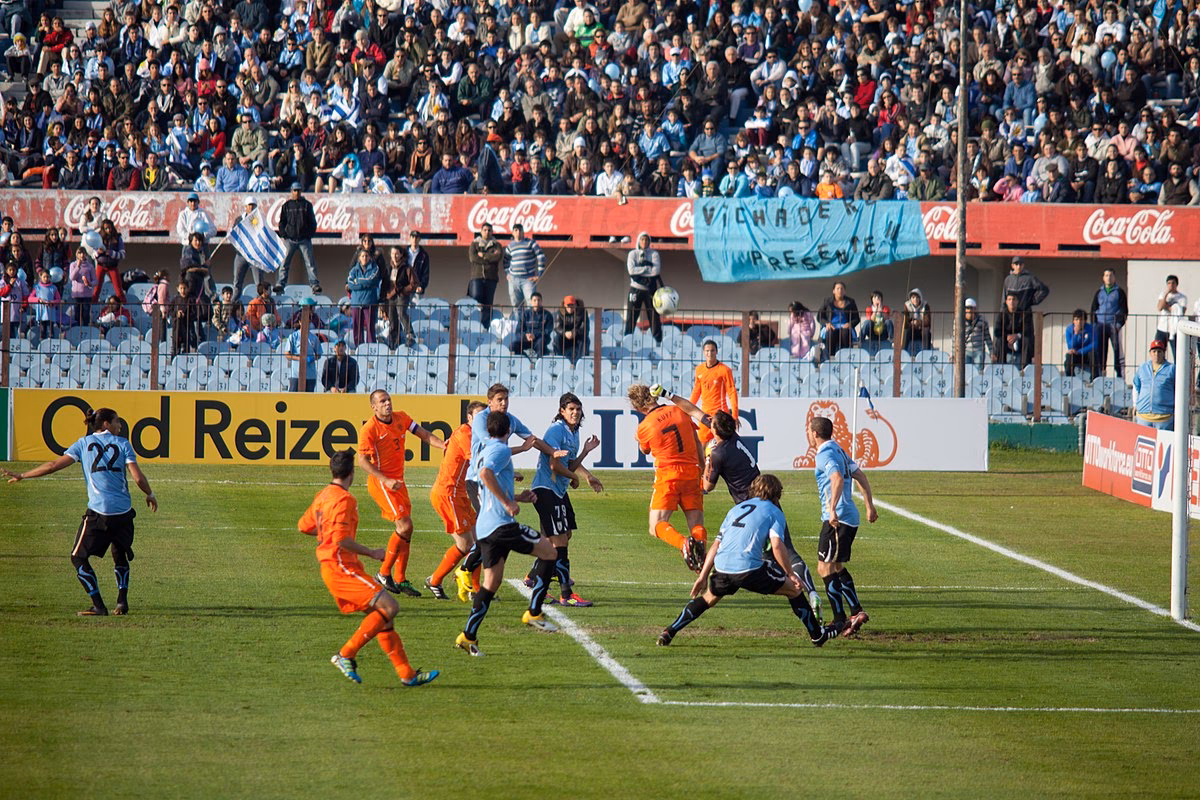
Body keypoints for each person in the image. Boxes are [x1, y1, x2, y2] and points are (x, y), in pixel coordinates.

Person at [658, 388, 823, 616]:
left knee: (764, 554)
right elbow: (694, 411)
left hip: (754, 508)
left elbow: (706, 487)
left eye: (711, 422)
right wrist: (669, 395)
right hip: (768, 501)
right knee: (781, 552)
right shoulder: (729, 436)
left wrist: (706, 459)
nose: (708, 421)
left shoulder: (718, 453)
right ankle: (810, 594)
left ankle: (792, 593)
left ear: (715, 430)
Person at [297, 448, 438, 687]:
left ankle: (407, 674)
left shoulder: (323, 495)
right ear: (352, 473)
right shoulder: (344, 500)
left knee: (382, 618)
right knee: (390, 606)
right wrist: (373, 552)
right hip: (341, 567)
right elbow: (341, 540)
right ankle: (346, 654)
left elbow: (304, 526)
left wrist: (325, 534)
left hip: (337, 567)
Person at [655, 474, 843, 648]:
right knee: (794, 589)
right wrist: (791, 574)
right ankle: (818, 635)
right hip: (748, 568)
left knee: (708, 598)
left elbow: (716, 545)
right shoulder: (774, 511)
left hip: (722, 567)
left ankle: (670, 631)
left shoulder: (735, 509)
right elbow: (777, 545)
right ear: (777, 495)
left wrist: (703, 576)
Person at [3, 408, 157, 617]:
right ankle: (122, 602)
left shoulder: (83, 444)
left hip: (99, 512)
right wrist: (150, 494)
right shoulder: (123, 444)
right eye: (117, 422)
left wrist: (23, 475)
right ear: (105, 424)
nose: (120, 426)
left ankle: (99, 606)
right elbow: (138, 478)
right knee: (119, 554)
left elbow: (53, 466)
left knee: (77, 557)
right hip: (123, 513)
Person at [455, 410, 559, 657]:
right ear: (508, 430)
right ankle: (534, 612)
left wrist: (518, 496)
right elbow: (485, 476)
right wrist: (507, 503)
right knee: (549, 552)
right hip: (501, 526)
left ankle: (468, 636)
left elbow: (487, 485)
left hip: (485, 528)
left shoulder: (483, 452)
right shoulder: (500, 450)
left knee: (491, 583)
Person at [453, 384, 569, 601]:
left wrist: (552, 451)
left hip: (493, 474)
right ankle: (468, 572)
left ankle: (477, 580)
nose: (504, 403)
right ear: (490, 402)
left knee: (493, 528)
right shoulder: (481, 420)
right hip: (478, 479)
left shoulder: (511, 420)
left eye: (506, 398)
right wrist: (520, 451)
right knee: (492, 526)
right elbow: (493, 449)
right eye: (499, 399)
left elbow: (531, 439)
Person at [357, 390, 447, 598]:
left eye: (388, 400)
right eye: (382, 401)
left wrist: (443, 445)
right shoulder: (369, 429)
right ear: (374, 407)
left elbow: (424, 434)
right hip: (383, 483)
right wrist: (385, 479)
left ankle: (400, 578)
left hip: (398, 482)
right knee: (404, 526)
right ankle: (383, 572)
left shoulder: (402, 418)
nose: (387, 404)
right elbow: (362, 460)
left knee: (408, 529)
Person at [522, 392, 604, 607]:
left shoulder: (573, 432)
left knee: (561, 535)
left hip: (557, 491)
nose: (575, 413)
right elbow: (555, 465)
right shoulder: (557, 430)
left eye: (578, 409)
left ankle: (534, 577)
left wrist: (585, 458)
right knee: (560, 542)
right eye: (571, 409)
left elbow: (569, 465)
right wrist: (572, 477)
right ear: (562, 411)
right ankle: (566, 594)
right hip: (546, 489)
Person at [809, 414, 877, 636]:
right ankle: (856, 611)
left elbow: (837, 479)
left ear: (815, 433)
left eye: (809, 431)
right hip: (850, 517)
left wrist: (831, 510)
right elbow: (861, 476)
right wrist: (869, 507)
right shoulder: (838, 449)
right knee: (836, 567)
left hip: (837, 519)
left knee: (824, 567)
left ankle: (840, 620)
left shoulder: (824, 454)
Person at [627, 383, 708, 572]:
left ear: (637, 408)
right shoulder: (679, 411)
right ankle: (701, 562)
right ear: (653, 397)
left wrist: (639, 441)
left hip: (668, 475)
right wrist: (703, 469)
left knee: (655, 525)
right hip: (691, 472)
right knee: (696, 524)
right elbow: (696, 442)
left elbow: (645, 450)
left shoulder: (645, 426)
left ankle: (683, 544)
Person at [427, 400, 487, 601]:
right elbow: (479, 460)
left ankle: (475, 588)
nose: (482, 420)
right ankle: (434, 581)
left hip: (459, 493)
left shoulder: (475, 434)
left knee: (479, 539)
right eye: (478, 416)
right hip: (448, 493)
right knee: (465, 544)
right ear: (469, 418)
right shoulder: (465, 434)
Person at [1000, 256, 1049, 360]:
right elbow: (1004, 298)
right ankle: (1003, 364)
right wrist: (1002, 312)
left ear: (1023, 265)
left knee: (1027, 337)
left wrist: (1031, 301)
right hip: (1010, 314)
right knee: (1004, 338)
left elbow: (1044, 290)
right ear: (1012, 266)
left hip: (1024, 313)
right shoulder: (1008, 280)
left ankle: (1025, 365)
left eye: (1020, 264)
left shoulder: (1030, 278)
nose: (1018, 266)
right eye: (1016, 264)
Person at [689, 339, 738, 444]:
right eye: (707, 351)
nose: (709, 353)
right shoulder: (699, 369)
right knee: (702, 443)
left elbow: (732, 392)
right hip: (705, 414)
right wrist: (688, 409)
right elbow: (696, 391)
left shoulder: (724, 370)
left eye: (712, 351)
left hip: (720, 414)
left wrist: (735, 415)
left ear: (716, 352)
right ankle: (704, 461)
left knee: (722, 443)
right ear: (703, 352)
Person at [276, 182, 321, 295]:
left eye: (299, 190)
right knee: (284, 263)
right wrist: (284, 235)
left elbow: (312, 222)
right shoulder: (286, 206)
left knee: (310, 263)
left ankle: (314, 284)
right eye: (295, 190)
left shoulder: (307, 205)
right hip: (290, 239)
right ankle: (280, 284)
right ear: (291, 191)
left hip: (304, 240)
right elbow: (282, 222)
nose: (297, 193)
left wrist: (308, 235)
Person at [624, 231, 663, 343]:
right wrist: (646, 268)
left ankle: (657, 341)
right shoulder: (632, 254)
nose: (644, 242)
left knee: (654, 316)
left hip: (650, 289)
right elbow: (631, 271)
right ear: (639, 241)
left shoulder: (654, 254)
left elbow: (655, 271)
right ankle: (627, 340)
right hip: (635, 288)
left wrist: (639, 270)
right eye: (642, 239)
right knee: (632, 316)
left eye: (646, 240)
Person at [1090, 269, 1128, 379]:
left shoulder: (1119, 292)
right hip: (1100, 325)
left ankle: (1120, 376)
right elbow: (1093, 308)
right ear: (1103, 278)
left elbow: (1124, 310)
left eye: (1111, 275)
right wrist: (1094, 325)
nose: (1108, 278)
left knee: (1117, 351)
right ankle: (1100, 375)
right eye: (1106, 275)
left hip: (1113, 325)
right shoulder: (1099, 292)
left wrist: (1118, 325)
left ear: (1114, 278)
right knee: (1100, 351)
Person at [1132, 340, 1176, 430]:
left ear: (1164, 353)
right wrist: (1135, 404)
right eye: (1154, 351)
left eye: (1159, 351)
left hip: (1164, 418)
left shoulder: (1171, 369)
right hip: (1143, 417)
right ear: (1150, 353)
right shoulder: (1143, 368)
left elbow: (1178, 390)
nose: (1156, 354)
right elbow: (1136, 386)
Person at [381, 244, 419, 349]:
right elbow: (384, 284)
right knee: (392, 319)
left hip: (401, 296)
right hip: (390, 296)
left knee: (401, 313)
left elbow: (414, 284)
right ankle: (394, 343)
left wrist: (403, 290)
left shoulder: (407, 268)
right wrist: (383, 300)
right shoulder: (388, 268)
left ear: (401, 254)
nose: (395, 256)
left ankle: (410, 334)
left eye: (397, 253)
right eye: (393, 253)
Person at [503, 222, 546, 311]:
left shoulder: (530, 243)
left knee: (532, 305)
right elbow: (506, 260)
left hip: (528, 279)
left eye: (520, 230)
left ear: (523, 232)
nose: (518, 232)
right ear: (512, 233)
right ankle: (519, 324)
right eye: (516, 230)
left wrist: (539, 274)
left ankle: (531, 324)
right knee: (516, 306)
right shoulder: (510, 246)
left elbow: (541, 256)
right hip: (513, 279)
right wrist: (508, 273)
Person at [467, 222, 503, 329]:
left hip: (491, 278)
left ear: (492, 232)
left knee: (488, 304)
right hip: (477, 277)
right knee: (476, 301)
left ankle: (484, 327)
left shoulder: (497, 245)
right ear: (481, 231)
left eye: (489, 230)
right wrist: (490, 257)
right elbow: (473, 258)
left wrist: (483, 256)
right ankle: (473, 326)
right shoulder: (474, 244)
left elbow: (497, 257)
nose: (487, 232)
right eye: (485, 230)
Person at [231, 196, 267, 298]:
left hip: (255, 255)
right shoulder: (239, 220)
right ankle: (234, 304)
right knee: (237, 282)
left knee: (259, 283)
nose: (251, 208)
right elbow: (234, 237)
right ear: (245, 207)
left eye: (253, 205)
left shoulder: (260, 220)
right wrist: (239, 250)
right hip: (241, 255)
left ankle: (260, 304)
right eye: (249, 205)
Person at [346, 247, 381, 345]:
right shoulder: (353, 270)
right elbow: (350, 284)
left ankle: (370, 347)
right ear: (359, 258)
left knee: (370, 326)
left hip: (369, 302)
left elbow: (372, 280)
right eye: (362, 256)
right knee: (357, 327)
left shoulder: (375, 268)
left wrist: (358, 281)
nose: (365, 258)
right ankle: (358, 346)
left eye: (366, 256)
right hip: (356, 302)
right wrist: (365, 283)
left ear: (370, 257)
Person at [818, 281, 859, 358]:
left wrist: (850, 324)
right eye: (838, 288)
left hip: (845, 326)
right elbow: (820, 316)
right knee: (830, 333)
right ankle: (830, 357)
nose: (840, 290)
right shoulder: (827, 301)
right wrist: (827, 323)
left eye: (842, 289)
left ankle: (844, 357)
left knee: (845, 333)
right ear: (833, 291)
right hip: (831, 326)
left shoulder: (851, 302)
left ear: (845, 291)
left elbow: (856, 318)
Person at [283, 318, 323, 391]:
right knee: (293, 396)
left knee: (309, 397)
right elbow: (287, 354)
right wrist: (299, 359)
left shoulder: (314, 338)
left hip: (310, 373)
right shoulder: (293, 336)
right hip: (295, 372)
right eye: (304, 321)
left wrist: (312, 358)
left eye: (308, 322)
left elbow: (319, 353)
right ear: (300, 322)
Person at [995, 291, 1032, 368]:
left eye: (1014, 299)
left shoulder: (1024, 313)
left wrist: (1017, 336)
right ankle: (1001, 367)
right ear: (1006, 302)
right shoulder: (1002, 314)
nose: (1012, 302)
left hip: (1020, 340)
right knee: (999, 340)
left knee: (1027, 340)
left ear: (1017, 301)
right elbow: (997, 331)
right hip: (1006, 341)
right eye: (1009, 299)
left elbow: (1028, 329)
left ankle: (1025, 368)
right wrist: (1007, 337)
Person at [1154, 274, 1188, 360]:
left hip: (1175, 329)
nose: (1171, 285)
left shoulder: (1182, 297)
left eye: (1173, 283)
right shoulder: (1163, 295)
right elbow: (1160, 307)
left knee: (1177, 353)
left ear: (1176, 284)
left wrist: (1169, 307)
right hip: (1162, 327)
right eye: (1169, 283)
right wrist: (1166, 294)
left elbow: (1181, 311)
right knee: (1159, 350)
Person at [91, 219, 125, 303]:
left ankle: (123, 306)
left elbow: (123, 254)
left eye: (110, 228)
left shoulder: (117, 237)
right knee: (96, 288)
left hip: (113, 266)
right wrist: (97, 252)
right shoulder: (98, 238)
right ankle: (93, 305)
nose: (108, 230)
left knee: (118, 288)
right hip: (101, 265)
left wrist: (112, 253)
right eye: (106, 228)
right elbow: (93, 254)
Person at [511, 291, 554, 356]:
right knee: (512, 346)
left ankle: (539, 363)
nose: (537, 302)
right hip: (526, 340)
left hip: (540, 339)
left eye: (538, 300)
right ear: (531, 302)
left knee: (541, 344)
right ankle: (526, 360)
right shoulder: (525, 314)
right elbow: (518, 331)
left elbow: (547, 331)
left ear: (541, 301)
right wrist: (526, 336)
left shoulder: (547, 315)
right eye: (534, 300)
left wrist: (535, 335)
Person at [856, 291, 893, 356]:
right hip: (872, 332)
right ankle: (861, 340)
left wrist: (880, 310)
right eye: (875, 297)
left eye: (879, 297)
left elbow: (886, 318)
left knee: (889, 322)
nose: (877, 299)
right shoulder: (869, 308)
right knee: (867, 322)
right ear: (872, 300)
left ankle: (892, 340)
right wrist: (875, 311)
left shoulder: (885, 308)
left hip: (882, 332)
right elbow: (871, 319)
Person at [1063, 310, 1098, 378]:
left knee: (1093, 354)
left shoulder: (1091, 328)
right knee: (1069, 357)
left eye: (1081, 320)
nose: (1079, 322)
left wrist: (1080, 351)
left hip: (1086, 354)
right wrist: (1076, 334)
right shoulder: (1069, 329)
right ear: (1073, 321)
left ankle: (1094, 379)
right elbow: (1070, 346)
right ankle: (1071, 379)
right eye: (1076, 319)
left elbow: (1094, 344)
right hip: (1075, 355)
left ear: (1085, 321)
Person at [553, 295, 589, 361]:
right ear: (564, 305)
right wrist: (565, 333)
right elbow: (557, 327)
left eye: (572, 305)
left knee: (585, 339)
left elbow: (585, 328)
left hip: (577, 337)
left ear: (576, 305)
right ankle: (559, 360)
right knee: (556, 339)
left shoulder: (582, 312)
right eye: (568, 306)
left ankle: (580, 361)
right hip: (564, 337)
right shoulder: (559, 313)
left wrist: (575, 332)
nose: (570, 308)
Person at [900, 288, 932, 356]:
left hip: (922, 328)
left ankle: (926, 353)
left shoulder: (925, 306)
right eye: (913, 297)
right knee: (907, 331)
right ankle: (904, 352)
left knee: (927, 332)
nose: (915, 299)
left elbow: (927, 321)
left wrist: (917, 322)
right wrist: (911, 323)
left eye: (917, 297)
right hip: (912, 328)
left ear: (920, 298)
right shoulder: (907, 305)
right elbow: (906, 321)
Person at [963, 298, 992, 367]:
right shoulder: (959, 320)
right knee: (965, 372)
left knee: (978, 372)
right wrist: (954, 353)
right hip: (965, 350)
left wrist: (992, 351)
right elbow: (955, 337)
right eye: (967, 308)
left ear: (975, 309)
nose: (969, 310)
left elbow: (987, 337)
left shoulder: (982, 320)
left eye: (971, 308)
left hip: (979, 350)